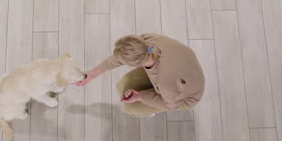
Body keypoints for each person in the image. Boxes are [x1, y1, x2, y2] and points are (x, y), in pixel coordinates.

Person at [76, 34, 205, 117]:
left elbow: (171, 105)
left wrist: (141, 96)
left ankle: (153, 111)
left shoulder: (166, 83)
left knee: (132, 108)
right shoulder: (147, 41)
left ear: (135, 65)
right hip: (181, 72)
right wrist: (92, 73)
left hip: (184, 96)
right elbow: (118, 58)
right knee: (123, 85)